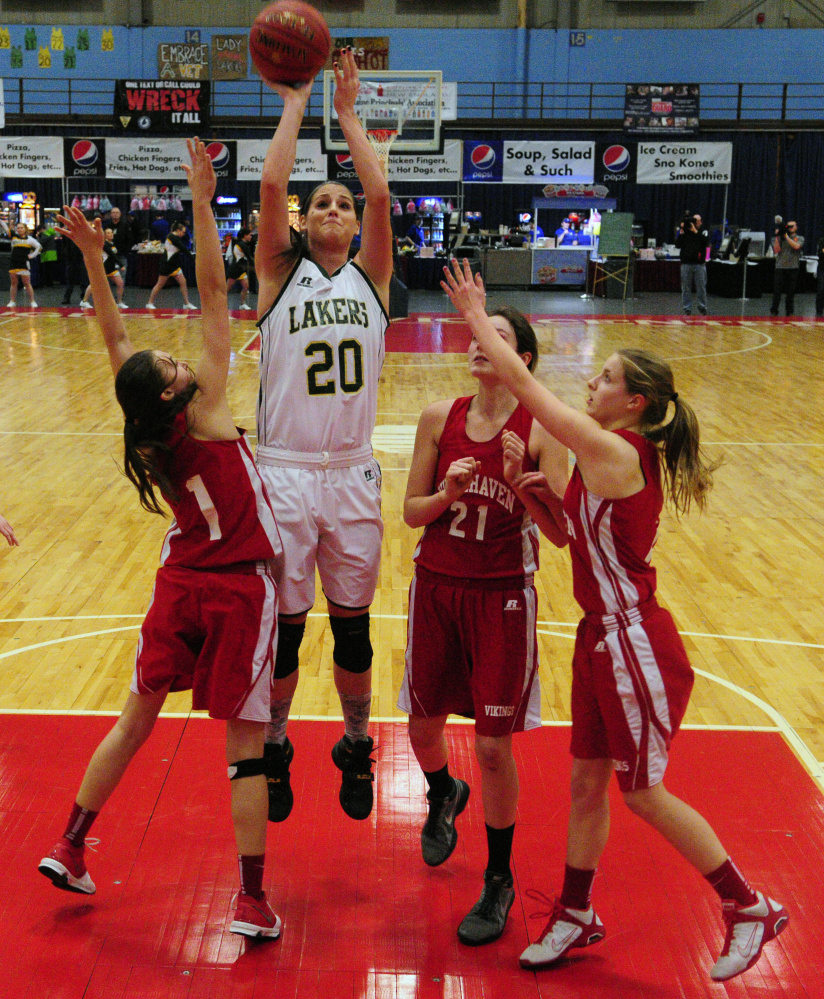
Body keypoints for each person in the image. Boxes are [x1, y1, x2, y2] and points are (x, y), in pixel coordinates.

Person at [441, 257, 789, 983]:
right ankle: (575, 911)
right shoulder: (607, 454)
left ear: (633, 403)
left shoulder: (614, 448)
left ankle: (747, 904)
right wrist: (525, 489)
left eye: (603, 378)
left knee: (643, 791)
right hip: (601, 637)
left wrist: (477, 316)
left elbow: (530, 388)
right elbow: (567, 536)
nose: (590, 384)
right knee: (586, 784)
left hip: (634, 638)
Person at [38, 139, 284, 941]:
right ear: (178, 390)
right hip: (238, 584)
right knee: (245, 750)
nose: (180, 356)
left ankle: (71, 841)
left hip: (179, 580)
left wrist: (98, 266)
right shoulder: (205, 410)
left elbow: (117, 349)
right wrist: (204, 201)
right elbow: (214, 289)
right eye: (175, 362)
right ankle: (250, 899)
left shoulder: (145, 422)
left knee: (133, 717)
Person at [399, 305, 568, 946]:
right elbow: (413, 513)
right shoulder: (438, 418)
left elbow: (557, 536)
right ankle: (444, 791)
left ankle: (498, 877)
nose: (479, 342)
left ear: (521, 359)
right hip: (436, 588)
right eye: (477, 332)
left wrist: (520, 485)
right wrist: (445, 492)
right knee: (422, 727)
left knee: (495, 746)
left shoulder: (542, 429)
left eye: (497, 335)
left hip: (501, 595)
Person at [254, 47, 393, 824]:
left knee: (353, 629)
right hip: (283, 471)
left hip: (350, 473)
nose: (336, 210)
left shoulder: (371, 278)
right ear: (305, 223)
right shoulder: (280, 273)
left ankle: (355, 740)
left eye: (343, 204)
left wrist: (348, 117)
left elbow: (380, 191)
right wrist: (297, 99)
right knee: (285, 630)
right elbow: (273, 183)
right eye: (324, 205)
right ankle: (276, 742)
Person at [146, 222, 196, 310]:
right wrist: (193, 258)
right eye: (183, 232)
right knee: (159, 284)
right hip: (166, 265)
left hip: (174, 265)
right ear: (178, 230)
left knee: (183, 282)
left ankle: (186, 303)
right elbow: (183, 248)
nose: (184, 234)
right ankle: (150, 303)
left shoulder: (176, 238)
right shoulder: (171, 237)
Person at [81, 227, 127, 309]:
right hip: (103, 268)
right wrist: (121, 265)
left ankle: (119, 302)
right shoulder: (104, 244)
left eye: (112, 232)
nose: (111, 234)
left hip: (111, 268)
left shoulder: (112, 243)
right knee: (94, 284)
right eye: (108, 233)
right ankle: (84, 301)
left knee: (120, 283)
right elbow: (112, 255)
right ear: (105, 235)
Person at [675, 212, 709, 316]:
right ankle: (687, 308)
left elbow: (705, 242)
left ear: (700, 222)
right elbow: (678, 245)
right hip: (686, 263)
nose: (695, 223)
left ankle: (702, 307)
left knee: (701, 287)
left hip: (699, 264)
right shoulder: (685, 233)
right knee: (686, 287)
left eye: (697, 221)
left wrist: (695, 231)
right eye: (693, 221)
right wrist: (681, 231)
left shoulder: (703, 232)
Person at [770, 221, 804, 317]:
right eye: (788, 226)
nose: (790, 228)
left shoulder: (799, 238)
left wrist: (787, 237)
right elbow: (776, 250)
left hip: (793, 267)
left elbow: (796, 246)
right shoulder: (779, 238)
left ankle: (789, 311)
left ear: (796, 227)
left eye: (792, 226)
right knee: (777, 291)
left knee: (791, 291)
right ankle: (774, 310)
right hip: (780, 267)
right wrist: (778, 237)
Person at [7, 222, 41, 309]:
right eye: (18, 228)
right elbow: (5, 227)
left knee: (27, 283)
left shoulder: (29, 239)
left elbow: (39, 247)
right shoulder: (13, 236)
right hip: (14, 263)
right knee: (14, 283)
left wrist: (32, 256)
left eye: (21, 228)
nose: (19, 229)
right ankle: (12, 301)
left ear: (25, 229)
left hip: (24, 263)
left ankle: (32, 301)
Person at [226, 227, 254, 310]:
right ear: (245, 235)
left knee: (246, 286)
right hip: (235, 269)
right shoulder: (242, 244)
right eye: (249, 235)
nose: (251, 237)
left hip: (241, 269)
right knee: (227, 288)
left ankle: (242, 304)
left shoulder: (243, 244)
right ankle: (219, 303)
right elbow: (249, 257)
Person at [816, 234, 824, 318]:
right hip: (822, 268)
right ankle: (819, 311)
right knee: (821, 290)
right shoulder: (822, 240)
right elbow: (821, 253)